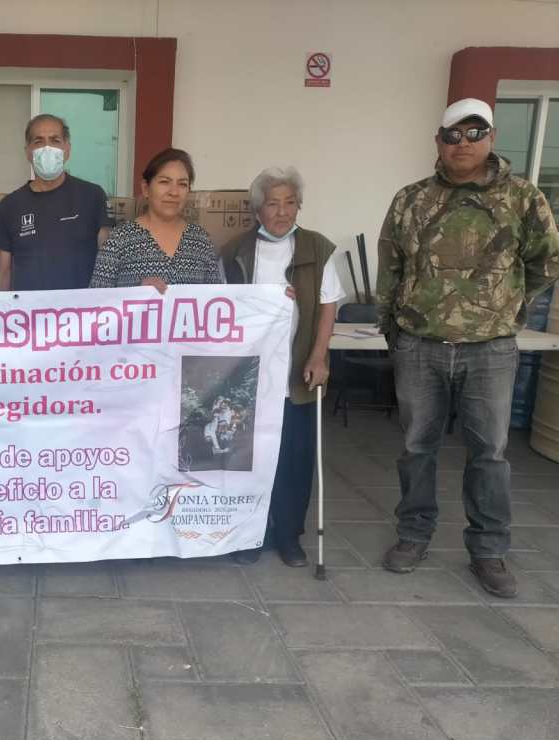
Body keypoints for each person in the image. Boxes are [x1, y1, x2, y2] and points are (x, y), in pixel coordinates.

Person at [377, 98, 559, 598]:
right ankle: (414, 535)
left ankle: (488, 550)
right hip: (420, 346)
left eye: (475, 133)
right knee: (417, 448)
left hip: (489, 349)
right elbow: (390, 267)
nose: (463, 143)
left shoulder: (522, 198)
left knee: (490, 455)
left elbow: (547, 261)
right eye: (453, 135)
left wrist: (505, 305)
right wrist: (393, 330)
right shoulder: (411, 199)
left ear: (492, 138)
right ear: (439, 141)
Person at [222, 166, 345, 567]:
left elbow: (328, 304)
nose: (282, 211)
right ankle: (249, 533)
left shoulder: (316, 248)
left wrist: (319, 355)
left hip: (297, 373)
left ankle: (289, 534)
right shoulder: (236, 250)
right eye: (273, 203)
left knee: (295, 457)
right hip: (251, 376)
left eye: (290, 202)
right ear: (257, 210)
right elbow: (224, 306)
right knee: (249, 458)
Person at [0, 114, 111, 291]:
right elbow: (2, 273)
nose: (47, 148)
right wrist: (1, 307)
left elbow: (109, 262)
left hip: (81, 307)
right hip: (31, 307)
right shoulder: (10, 206)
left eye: (55, 140)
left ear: (67, 149)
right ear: (28, 152)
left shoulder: (92, 196)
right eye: (39, 141)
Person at [90, 148, 225, 291]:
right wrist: (136, 294)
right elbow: (96, 299)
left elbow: (217, 298)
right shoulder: (119, 239)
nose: (174, 192)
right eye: (164, 182)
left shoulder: (200, 240)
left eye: (182, 184)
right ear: (146, 188)